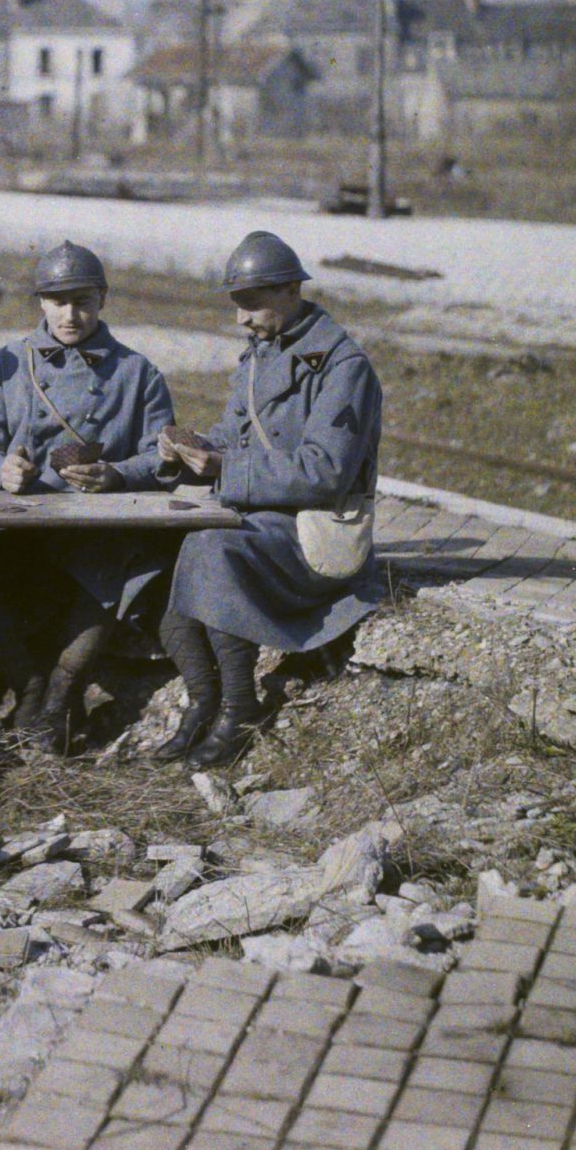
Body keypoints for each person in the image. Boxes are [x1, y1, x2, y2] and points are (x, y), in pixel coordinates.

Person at [152, 229, 385, 767]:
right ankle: (202, 702)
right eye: (237, 306)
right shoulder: (260, 356)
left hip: (314, 531)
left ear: (290, 291)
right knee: (168, 555)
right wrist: (185, 452)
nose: (242, 319)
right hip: (265, 523)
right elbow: (232, 437)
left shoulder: (342, 367)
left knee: (212, 552)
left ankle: (241, 707)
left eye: (252, 304)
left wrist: (227, 468)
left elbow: (325, 472)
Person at [0, 241, 177, 752]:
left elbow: (163, 457)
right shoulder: (7, 366)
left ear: (102, 300)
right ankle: (27, 682)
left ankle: (61, 692)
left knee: (119, 571)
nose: (71, 315)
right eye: (58, 302)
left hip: (96, 526)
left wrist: (116, 475)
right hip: (19, 520)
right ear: (40, 303)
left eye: (83, 301)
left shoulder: (136, 373)